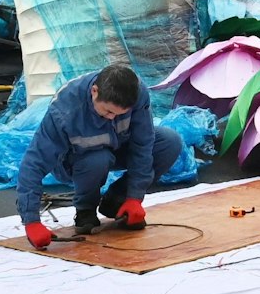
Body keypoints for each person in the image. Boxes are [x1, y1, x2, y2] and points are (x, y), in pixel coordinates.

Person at [15, 64, 183, 244]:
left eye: (120, 114)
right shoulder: (65, 110)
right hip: (76, 159)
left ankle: (118, 201)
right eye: (108, 111)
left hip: (117, 145)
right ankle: (85, 211)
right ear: (94, 91)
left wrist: (135, 196)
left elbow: (142, 145)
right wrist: (31, 220)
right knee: (98, 159)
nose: (112, 117)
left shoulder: (136, 92)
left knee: (169, 142)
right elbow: (34, 163)